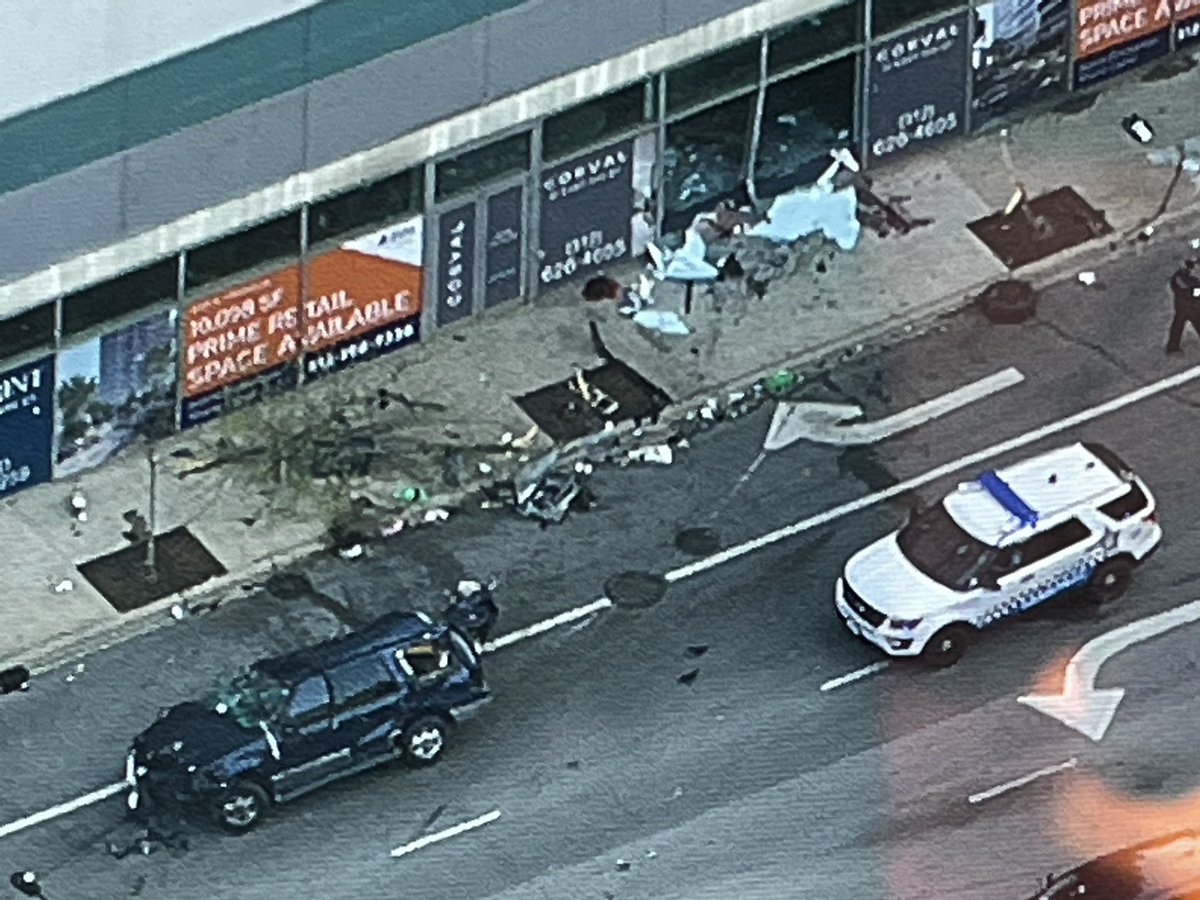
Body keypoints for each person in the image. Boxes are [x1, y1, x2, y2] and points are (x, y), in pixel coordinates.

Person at [1166, 257, 1200, 354]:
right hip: (1184, 307)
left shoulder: (1189, 278)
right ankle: (1172, 348)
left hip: (1192, 307)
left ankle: (1172, 347)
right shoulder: (1180, 277)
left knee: (1193, 324)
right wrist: (1195, 292)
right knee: (1178, 327)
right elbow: (1186, 291)